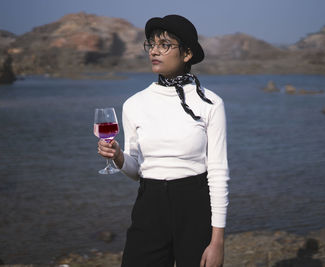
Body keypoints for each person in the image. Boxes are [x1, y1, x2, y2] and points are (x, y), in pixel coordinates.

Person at [98, 14, 229, 267]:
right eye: (151, 45)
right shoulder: (134, 104)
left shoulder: (211, 103)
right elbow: (137, 171)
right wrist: (118, 157)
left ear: (187, 53)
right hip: (149, 205)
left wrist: (218, 241)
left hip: (195, 206)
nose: (154, 51)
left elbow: (218, 172)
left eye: (165, 45)